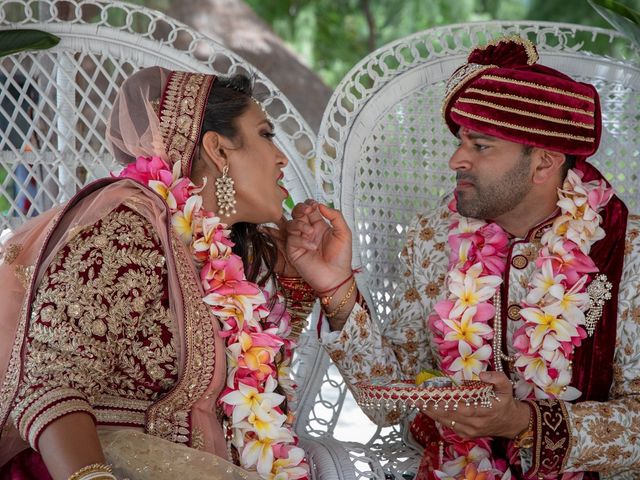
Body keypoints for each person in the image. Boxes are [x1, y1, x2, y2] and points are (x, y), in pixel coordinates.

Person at [285, 36, 640, 479]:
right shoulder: (432, 239)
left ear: (544, 164)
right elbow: (386, 402)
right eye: (460, 142)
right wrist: (336, 290)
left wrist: (523, 423)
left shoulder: (627, 251)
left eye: (481, 145)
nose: (456, 159)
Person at [0, 67, 315, 480]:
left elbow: (255, 399)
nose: (281, 158)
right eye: (265, 135)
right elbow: (47, 379)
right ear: (218, 150)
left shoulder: (215, 255)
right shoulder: (128, 222)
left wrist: (313, 280)